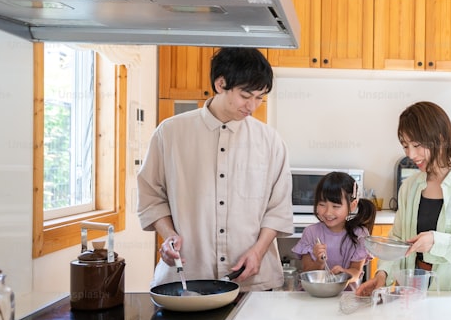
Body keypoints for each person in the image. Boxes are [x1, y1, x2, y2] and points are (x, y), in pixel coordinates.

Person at [137, 47, 293, 291]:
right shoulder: (170, 133)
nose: (253, 106)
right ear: (221, 84)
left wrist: (258, 252)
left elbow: (278, 209)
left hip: (254, 282)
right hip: (187, 278)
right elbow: (151, 197)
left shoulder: (270, 141)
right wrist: (168, 235)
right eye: (246, 95)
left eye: (260, 97)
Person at [356, 101, 451, 296]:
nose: (411, 154)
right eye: (405, 146)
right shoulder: (409, 188)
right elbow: (397, 241)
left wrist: (439, 242)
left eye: (416, 145)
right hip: (412, 294)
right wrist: (382, 275)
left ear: (440, 138)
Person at [292, 171, 376, 288]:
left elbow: (356, 271)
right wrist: (319, 262)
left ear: (352, 205)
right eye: (322, 204)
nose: (328, 212)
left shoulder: (360, 234)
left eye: (335, 206)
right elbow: (306, 272)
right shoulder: (310, 233)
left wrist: (344, 273)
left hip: (346, 298)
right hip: (314, 297)